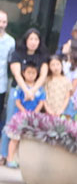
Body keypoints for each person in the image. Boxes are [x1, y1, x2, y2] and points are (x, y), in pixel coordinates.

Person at [1, 27, 48, 166]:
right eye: (31, 39)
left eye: (36, 39)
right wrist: (26, 91)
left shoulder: (43, 56)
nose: (33, 42)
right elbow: (16, 73)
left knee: (27, 127)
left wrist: (33, 90)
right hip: (19, 92)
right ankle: (3, 154)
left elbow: (43, 75)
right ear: (26, 40)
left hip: (34, 95)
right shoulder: (17, 54)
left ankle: (19, 157)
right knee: (11, 123)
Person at [4, 60, 46, 168]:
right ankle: (10, 158)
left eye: (34, 73)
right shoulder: (20, 87)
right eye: (29, 72)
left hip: (34, 118)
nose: (31, 75)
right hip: (20, 117)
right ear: (23, 73)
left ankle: (23, 161)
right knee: (15, 138)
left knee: (28, 140)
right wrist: (24, 111)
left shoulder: (40, 89)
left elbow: (41, 102)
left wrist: (35, 112)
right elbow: (17, 102)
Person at [62, 40, 77, 115]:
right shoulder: (63, 62)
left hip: (69, 101)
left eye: (67, 44)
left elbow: (72, 89)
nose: (64, 45)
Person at [0, 11, 16, 132]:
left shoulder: (11, 41)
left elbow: (11, 62)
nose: (1, 24)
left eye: (4, 22)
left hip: (1, 82)